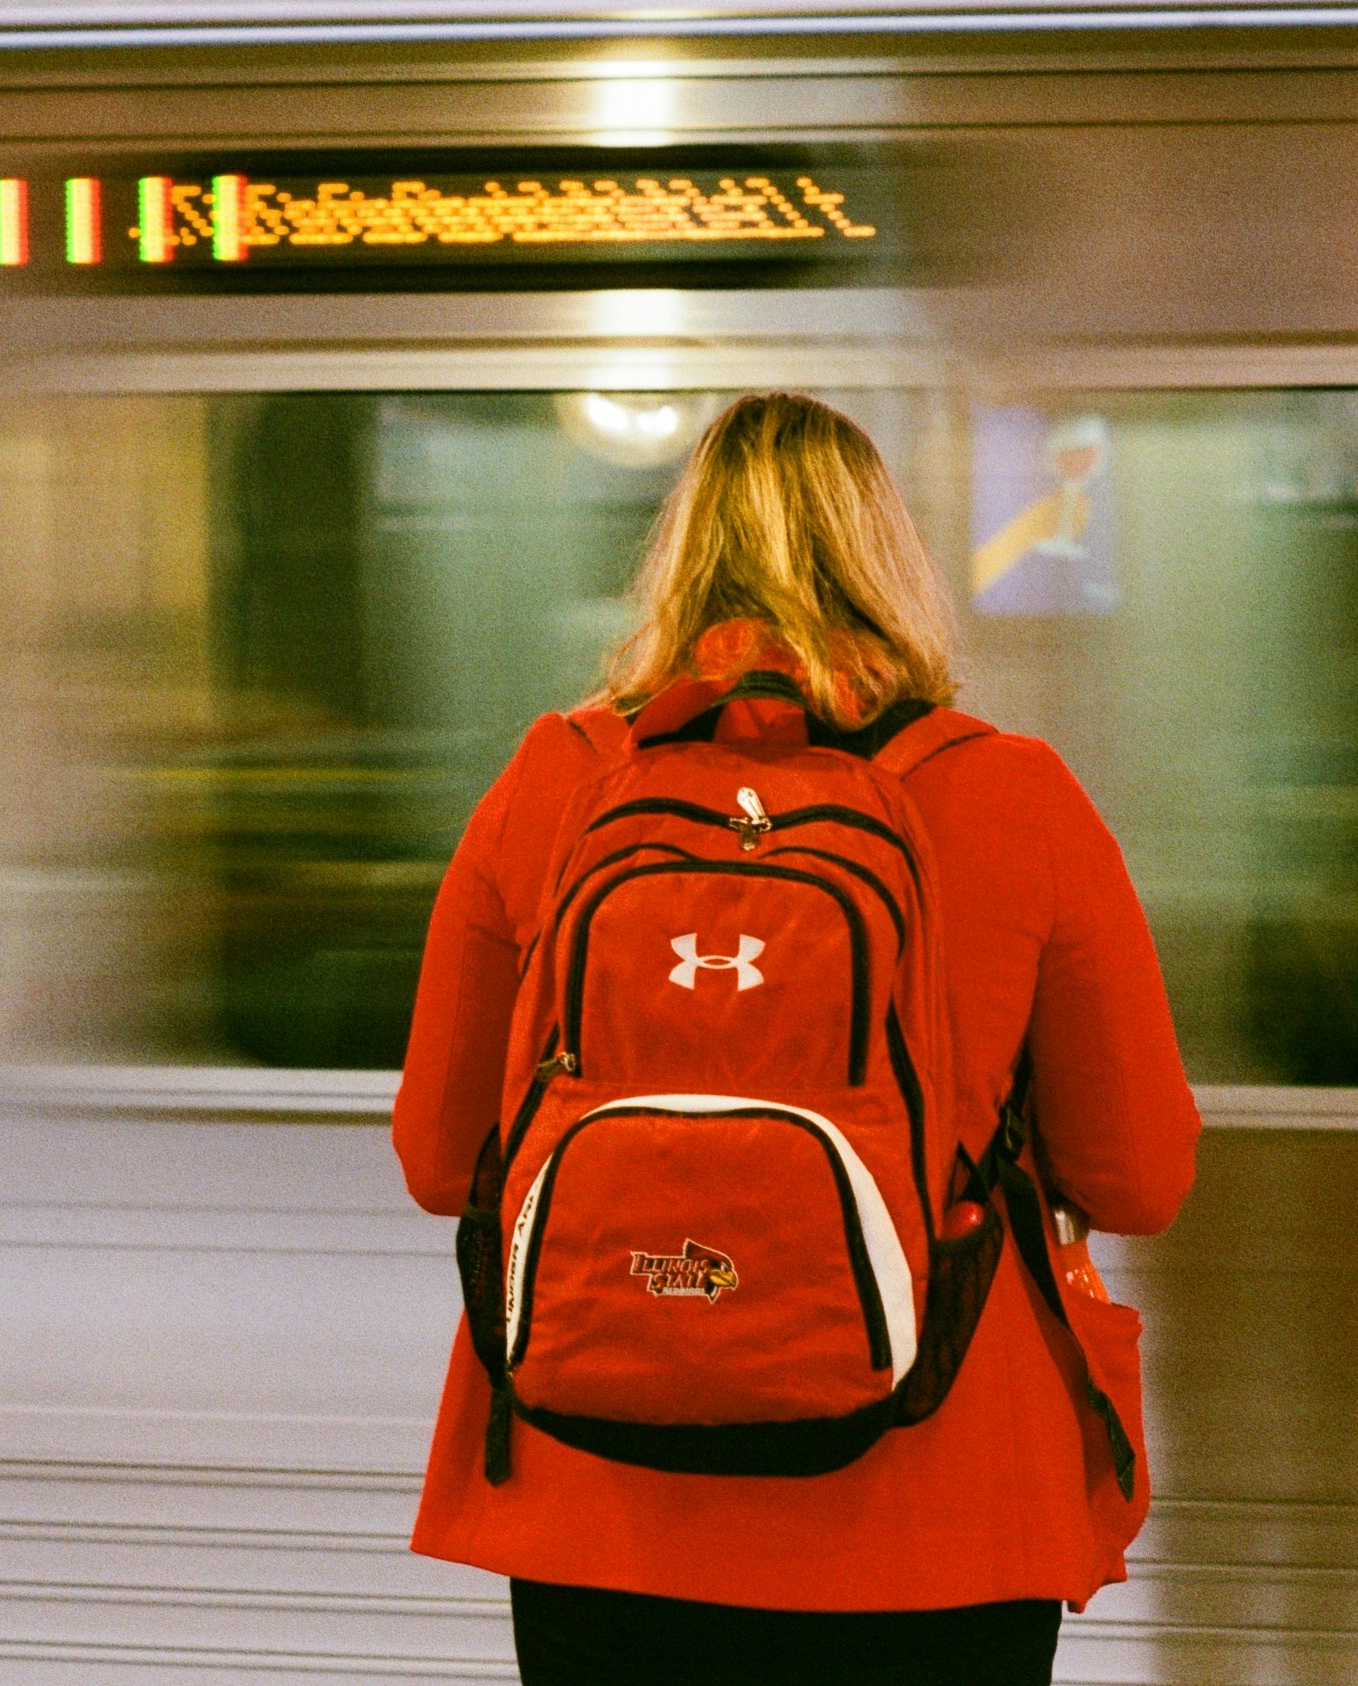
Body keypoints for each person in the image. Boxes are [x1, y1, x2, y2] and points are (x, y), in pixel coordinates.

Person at [392, 392, 1201, 1685]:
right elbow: (1139, 1175)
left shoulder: (555, 781)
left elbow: (443, 1161)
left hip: (599, 1487)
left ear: (670, 556)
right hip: (938, 1498)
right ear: (895, 566)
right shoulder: (1011, 795)